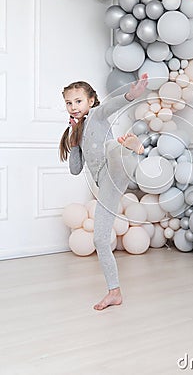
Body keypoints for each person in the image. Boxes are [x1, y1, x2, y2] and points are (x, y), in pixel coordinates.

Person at [59, 74, 148, 310]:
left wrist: (131, 95)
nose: (74, 107)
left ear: (90, 101)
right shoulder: (75, 132)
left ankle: (131, 148)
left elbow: (111, 106)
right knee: (100, 238)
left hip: (116, 168)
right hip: (106, 184)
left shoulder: (97, 117)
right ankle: (114, 292)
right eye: (69, 103)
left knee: (111, 147)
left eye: (78, 101)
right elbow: (76, 169)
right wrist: (74, 142)